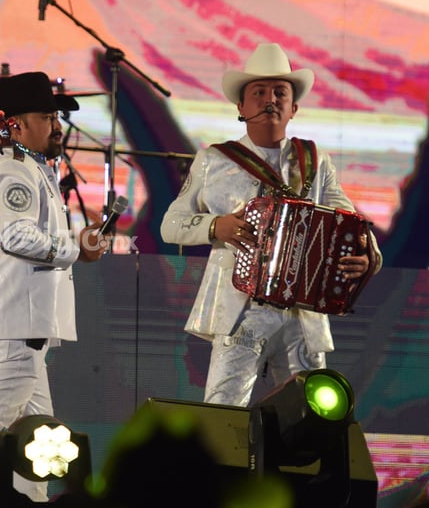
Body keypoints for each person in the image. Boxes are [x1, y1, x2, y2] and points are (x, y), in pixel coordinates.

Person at [160, 42, 382, 407]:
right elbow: (172, 224)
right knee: (225, 408)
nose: (270, 99)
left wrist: (369, 257)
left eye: (280, 92)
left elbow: (353, 224)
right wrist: (218, 227)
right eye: (259, 92)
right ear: (241, 107)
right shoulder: (214, 159)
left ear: (293, 107)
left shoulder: (314, 160)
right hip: (240, 308)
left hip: (302, 313)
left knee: (313, 412)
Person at [0, 72, 109, 507]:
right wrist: (77, 249)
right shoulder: (14, 169)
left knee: (40, 439)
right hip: (16, 325)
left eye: (56, 116)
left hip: (9, 324)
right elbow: (16, 237)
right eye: (45, 116)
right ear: (14, 124)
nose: (56, 125)